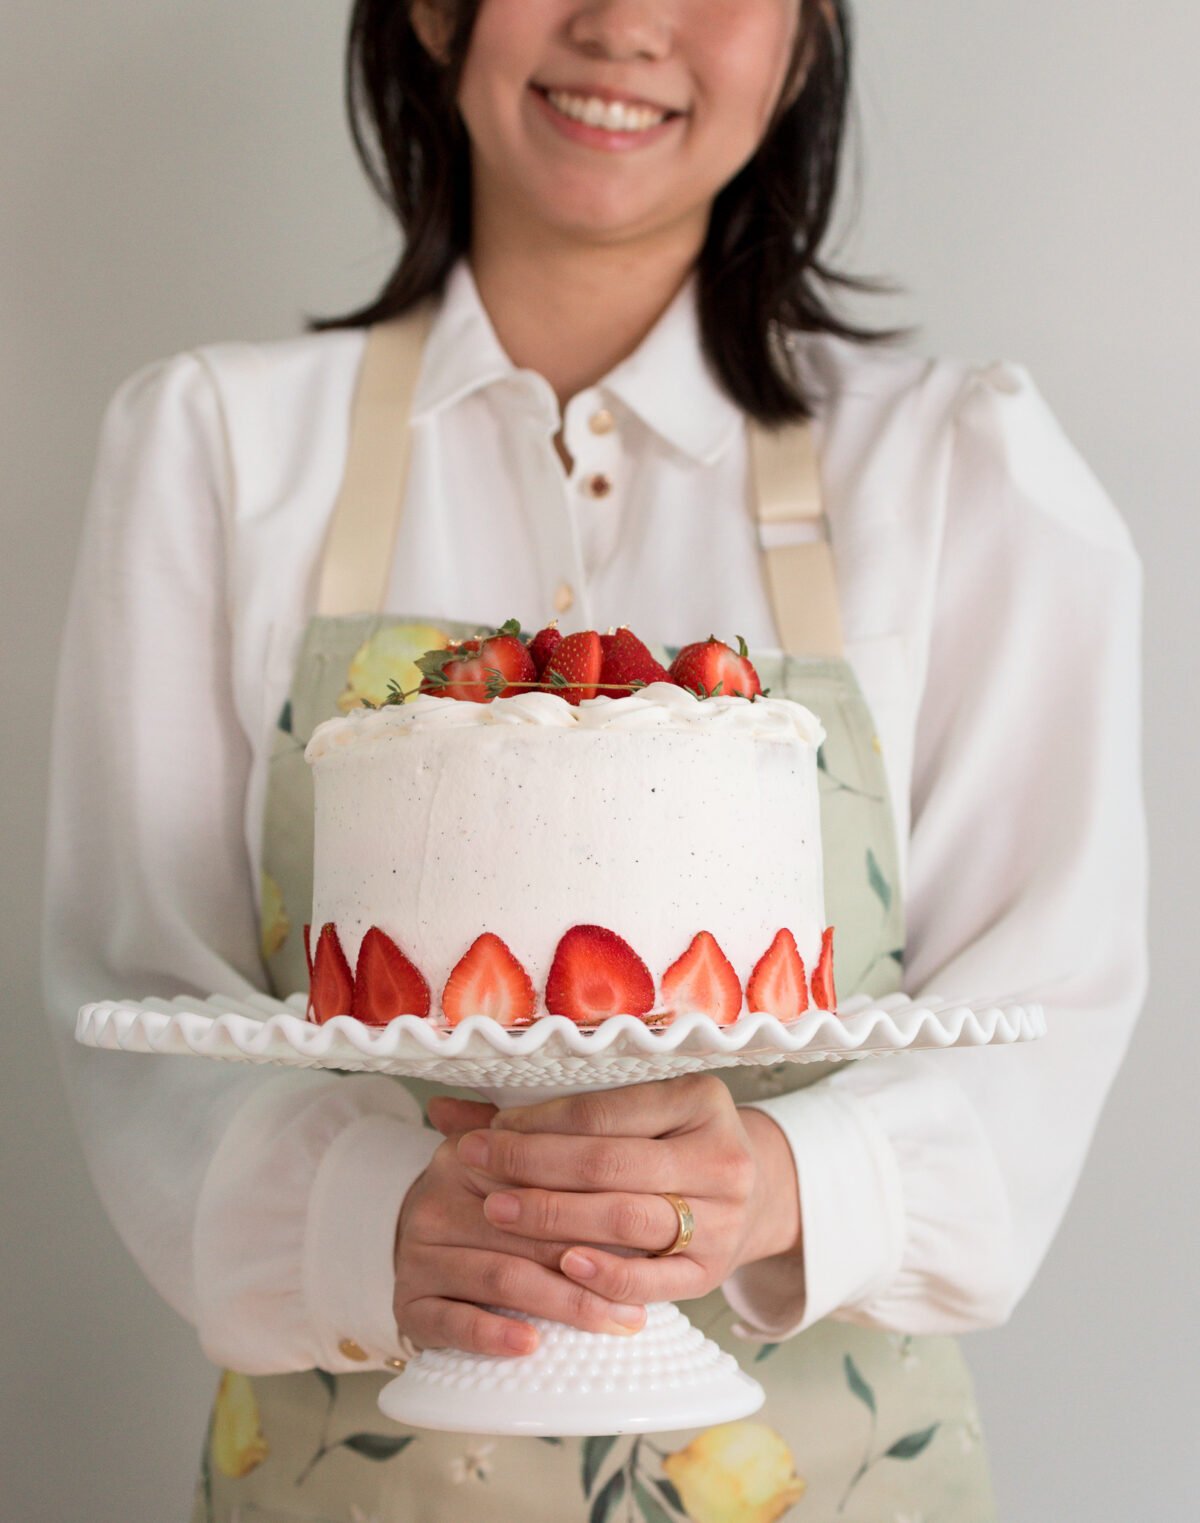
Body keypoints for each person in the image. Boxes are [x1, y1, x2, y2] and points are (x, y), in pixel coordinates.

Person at [42, 1, 1147, 1518]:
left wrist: (780, 1181)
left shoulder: (961, 470)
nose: (625, 23)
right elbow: (136, 984)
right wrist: (366, 1217)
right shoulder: (218, 448)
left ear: (805, 37)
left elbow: (1050, 997)